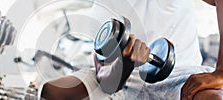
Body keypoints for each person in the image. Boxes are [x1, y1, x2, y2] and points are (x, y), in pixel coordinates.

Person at [40, 0, 223, 100]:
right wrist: (125, 63)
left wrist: (221, 71)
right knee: (50, 92)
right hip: (126, 83)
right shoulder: (103, 8)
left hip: (180, 74)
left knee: (211, 98)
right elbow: (105, 77)